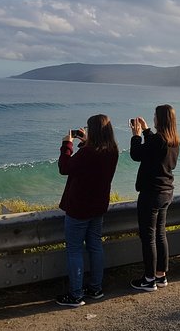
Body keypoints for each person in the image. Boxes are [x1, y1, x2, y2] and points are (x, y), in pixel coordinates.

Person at [56, 114, 119, 307]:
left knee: (74, 250)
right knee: (95, 246)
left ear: (94, 131)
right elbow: (90, 164)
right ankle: (95, 288)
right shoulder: (112, 150)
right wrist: (85, 143)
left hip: (79, 208)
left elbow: (65, 167)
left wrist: (67, 145)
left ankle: (75, 295)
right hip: (98, 207)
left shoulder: (88, 153)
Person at [129, 105, 180, 292]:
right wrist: (146, 131)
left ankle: (149, 279)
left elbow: (137, 154)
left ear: (160, 119)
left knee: (148, 236)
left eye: (154, 117)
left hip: (151, 193)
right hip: (166, 191)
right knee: (160, 234)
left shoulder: (158, 139)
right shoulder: (173, 140)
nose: (153, 118)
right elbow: (154, 150)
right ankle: (160, 275)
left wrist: (136, 135)